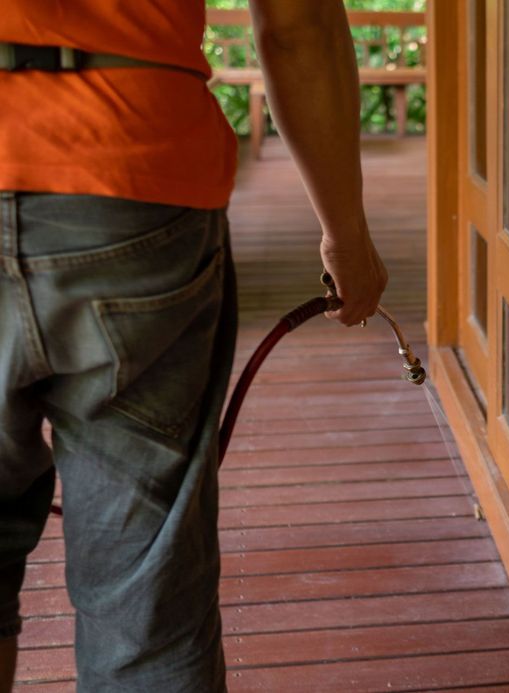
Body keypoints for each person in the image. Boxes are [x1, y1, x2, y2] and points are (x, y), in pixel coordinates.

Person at [0, 0, 387, 689]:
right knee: (147, 601)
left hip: (132, 172)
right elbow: (298, 26)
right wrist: (346, 234)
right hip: (131, 173)